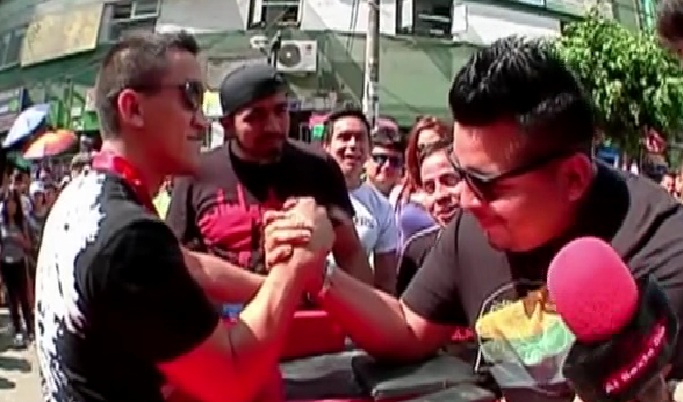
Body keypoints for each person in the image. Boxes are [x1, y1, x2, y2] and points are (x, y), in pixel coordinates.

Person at [268, 37, 683, 401]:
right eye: (459, 173)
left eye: (484, 183)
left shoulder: (661, 249)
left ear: (572, 177)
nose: (464, 199)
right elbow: (409, 327)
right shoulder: (474, 228)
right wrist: (317, 271)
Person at [34, 30, 334, 402]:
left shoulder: (84, 194)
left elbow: (193, 265)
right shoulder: (127, 237)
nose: (203, 122)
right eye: (190, 96)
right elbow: (233, 378)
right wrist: (300, 258)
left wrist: (288, 288)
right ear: (133, 109)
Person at [166, 62, 373, 299]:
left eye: (280, 111)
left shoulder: (318, 168)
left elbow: (350, 253)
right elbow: (176, 261)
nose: (273, 126)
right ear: (228, 126)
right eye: (255, 117)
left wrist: (367, 313)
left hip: (305, 316)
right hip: (224, 317)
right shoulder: (197, 174)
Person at [322, 109, 400, 293]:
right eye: (344, 137)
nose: (352, 145)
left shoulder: (382, 207)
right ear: (326, 146)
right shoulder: (305, 194)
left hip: (355, 301)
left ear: (369, 149)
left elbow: (386, 281)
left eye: (359, 138)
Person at [396, 140, 460, 295]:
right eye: (430, 188)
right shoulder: (416, 251)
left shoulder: (502, 245)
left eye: (449, 181)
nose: (439, 195)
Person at [391, 116, 452, 245]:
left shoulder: (454, 190)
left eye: (435, 145)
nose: (427, 151)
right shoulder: (401, 191)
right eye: (421, 147)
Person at [0, 189, 32, 348]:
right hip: (6, 264)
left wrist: (19, 239)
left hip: (19, 262)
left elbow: (28, 245)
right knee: (12, 299)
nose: (11, 206)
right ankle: (18, 330)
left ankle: (30, 328)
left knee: (24, 297)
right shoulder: (1, 223)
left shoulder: (22, 222)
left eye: (13, 202)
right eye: (8, 203)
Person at [365, 127, 404, 198]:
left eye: (394, 161)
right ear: (365, 160)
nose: (387, 165)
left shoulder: (408, 202)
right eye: (380, 158)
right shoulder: (349, 197)